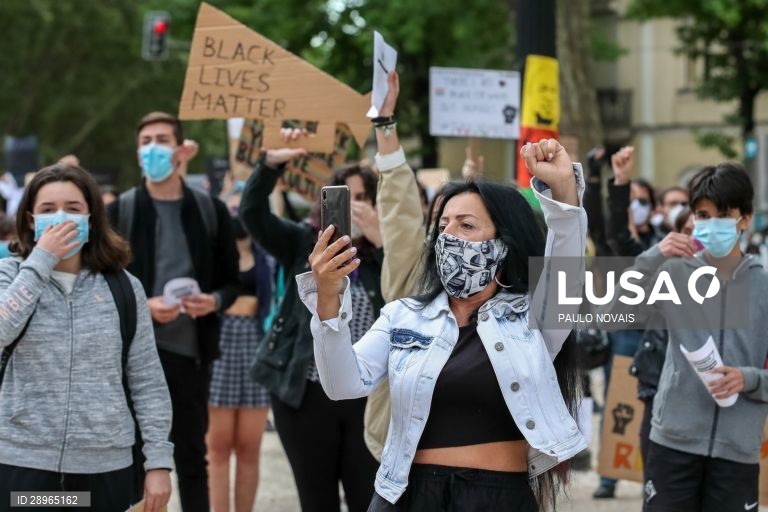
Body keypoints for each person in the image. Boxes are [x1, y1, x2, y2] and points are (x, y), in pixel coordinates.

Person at [299, 136, 587, 511]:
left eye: (466, 225)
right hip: (406, 496)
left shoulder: (534, 317)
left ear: (503, 245)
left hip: (496, 500)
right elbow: (341, 384)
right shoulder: (404, 315)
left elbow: (566, 260)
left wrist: (563, 191)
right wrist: (327, 297)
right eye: (443, 225)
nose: (449, 236)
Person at [0, 163, 172, 511]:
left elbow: (146, 379)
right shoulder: (11, 274)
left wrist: (158, 461)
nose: (61, 217)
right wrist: (42, 259)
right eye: (48, 210)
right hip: (25, 464)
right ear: (31, 219)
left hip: (104, 467)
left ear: (91, 218)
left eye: (73, 209)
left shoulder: (123, 287)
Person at [602, 163, 768, 511]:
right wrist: (652, 256)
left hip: (737, 450)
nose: (711, 224)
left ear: (745, 219)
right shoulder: (675, 272)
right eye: (703, 215)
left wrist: (749, 379)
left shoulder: (763, 286)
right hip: (672, 443)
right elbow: (611, 315)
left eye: (724, 214)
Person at [107, 112, 240, 511]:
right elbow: (101, 286)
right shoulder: (120, 213)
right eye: (145, 140)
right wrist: (141, 305)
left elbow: (233, 281)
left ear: (181, 149)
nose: (152, 148)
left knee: (191, 462)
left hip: (190, 354)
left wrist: (213, 301)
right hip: (129, 358)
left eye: (161, 139)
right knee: (129, 461)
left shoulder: (210, 211)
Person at [240, 146, 384, 512]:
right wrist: (269, 167)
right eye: (346, 198)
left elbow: (406, 293)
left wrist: (382, 240)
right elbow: (252, 215)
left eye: (365, 198)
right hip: (304, 392)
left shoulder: (390, 254)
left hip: (366, 396)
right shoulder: (305, 243)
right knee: (316, 498)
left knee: (366, 497)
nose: (356, 207)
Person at [206, 190, 273, 512]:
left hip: (256, 342)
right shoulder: (212, 254)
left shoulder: (268, 257)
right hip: (220, 343)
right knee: (217, 448)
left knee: (249, 447)